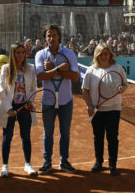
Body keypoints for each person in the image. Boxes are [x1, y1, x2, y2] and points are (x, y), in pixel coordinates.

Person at [35, 24, 80, 174]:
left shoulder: (69, 53)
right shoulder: (40, 54)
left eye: (54, 35)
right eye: (49, 36)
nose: (51, 38)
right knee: (48, 133)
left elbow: (75, 76)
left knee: (65, 133)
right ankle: (47, 162)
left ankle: (64, 161)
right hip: (48, 101)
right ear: (45, 38)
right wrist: (60, 69)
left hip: (66, 101)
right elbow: (41, 76)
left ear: (59, 36)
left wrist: (54, 69)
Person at [82, 43, 128, 176]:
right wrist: (90, 106)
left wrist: (123, 89)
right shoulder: (91, 70)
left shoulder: (118, 68)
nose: (103, 56)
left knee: (113, 137)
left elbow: (125, 84)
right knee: (98, 137)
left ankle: (112, 164)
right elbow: (85, 91)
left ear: (110, 55)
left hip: (114, 109)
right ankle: (99, 162)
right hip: (97, 110)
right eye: (101, 54)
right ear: (97, 55)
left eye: (106, 54)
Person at [0, 43, 38, 177]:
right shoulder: (6, 68)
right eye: (17, 52)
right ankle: (5, 166)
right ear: (12, 54)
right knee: (7, 137)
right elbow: (3, 90)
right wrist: (8, 109)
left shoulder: (30, 68)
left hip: (25, 107)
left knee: (26, 136)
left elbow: (34, 88)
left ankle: (28, 164)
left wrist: (30, 102)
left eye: (22, 52)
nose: (20, 55)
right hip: (10, 107)